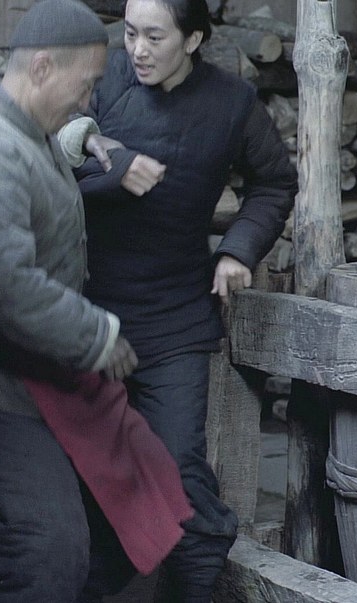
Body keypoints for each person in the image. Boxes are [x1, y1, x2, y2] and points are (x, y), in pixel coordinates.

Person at [59, 0, 297, 599]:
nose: (138, 50)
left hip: (174, 320)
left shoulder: (231, 103)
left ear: (192, 41)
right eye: (130, 34)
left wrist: (238, 250)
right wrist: (114, 171)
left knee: (179, 467)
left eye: (155, 37)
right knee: (87, 470)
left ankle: (197, 587)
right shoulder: (99, 77)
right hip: (86, 314)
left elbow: (274, 183)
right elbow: (44, 155)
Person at [0, 1, 193, 600]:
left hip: (43, 373)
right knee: (47, 546)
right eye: (86, 85)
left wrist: (82, 135)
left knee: (140, 503)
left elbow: (50, 143)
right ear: (42, 67)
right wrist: (98, 336)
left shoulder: (24, 124)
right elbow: (6, 285)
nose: (90, 99)